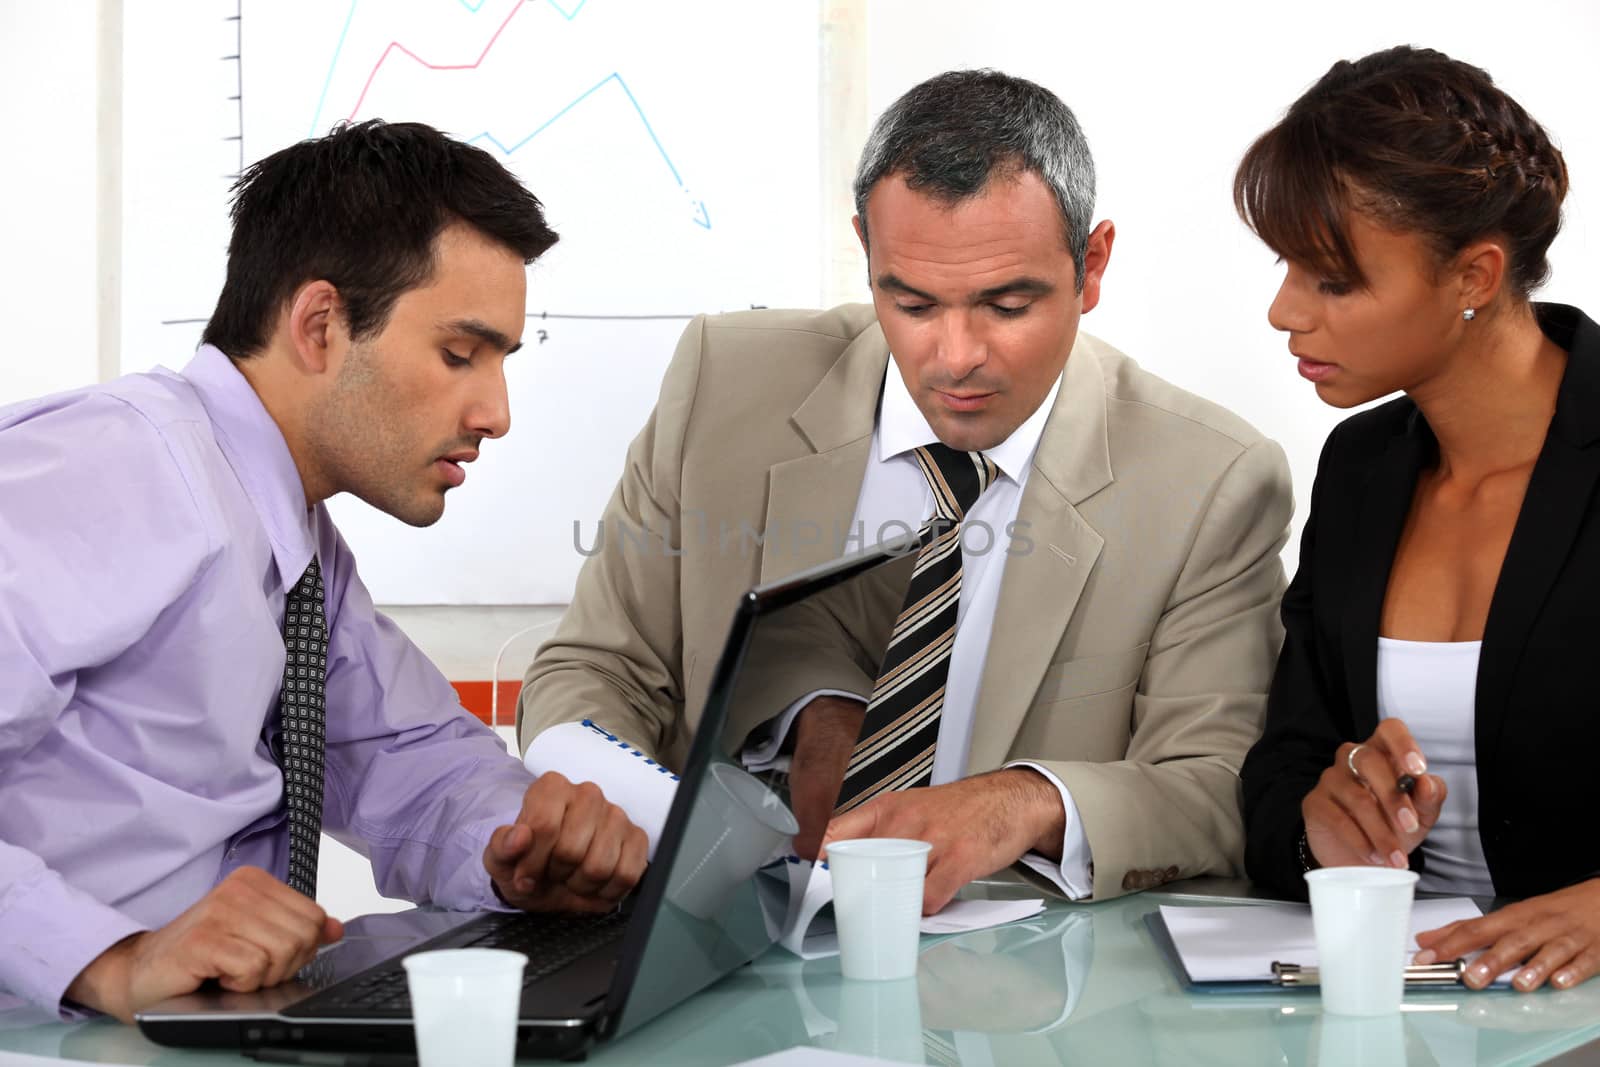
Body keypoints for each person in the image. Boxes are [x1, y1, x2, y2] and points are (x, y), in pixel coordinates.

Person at [520, 70, 1294, 910]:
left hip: (1015, 996)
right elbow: (594, 669)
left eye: (1006, 304)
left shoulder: (1209, 479)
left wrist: (1025, 801)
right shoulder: (723, 385)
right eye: (912, 302)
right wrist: (645, 820)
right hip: (719, 941)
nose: (955, 355)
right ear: (866, 251)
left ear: (1092, 263)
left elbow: (1218, 782)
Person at [0, 120, 647, 1023]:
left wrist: (526, 844)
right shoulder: (120, 467)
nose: (495, 411)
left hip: (207, 1025)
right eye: (460, 354)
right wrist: (110, 959)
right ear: (319, 325)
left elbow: (408, 759)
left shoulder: (296, 551)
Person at [1235, 45, 1599, 992]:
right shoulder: (1361, 470)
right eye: (1287, 267)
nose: (1283, 311)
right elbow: (1285, 762)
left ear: (1475, 274)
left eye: (1332, 280)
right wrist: (1324, 821)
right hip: (1409, 998)